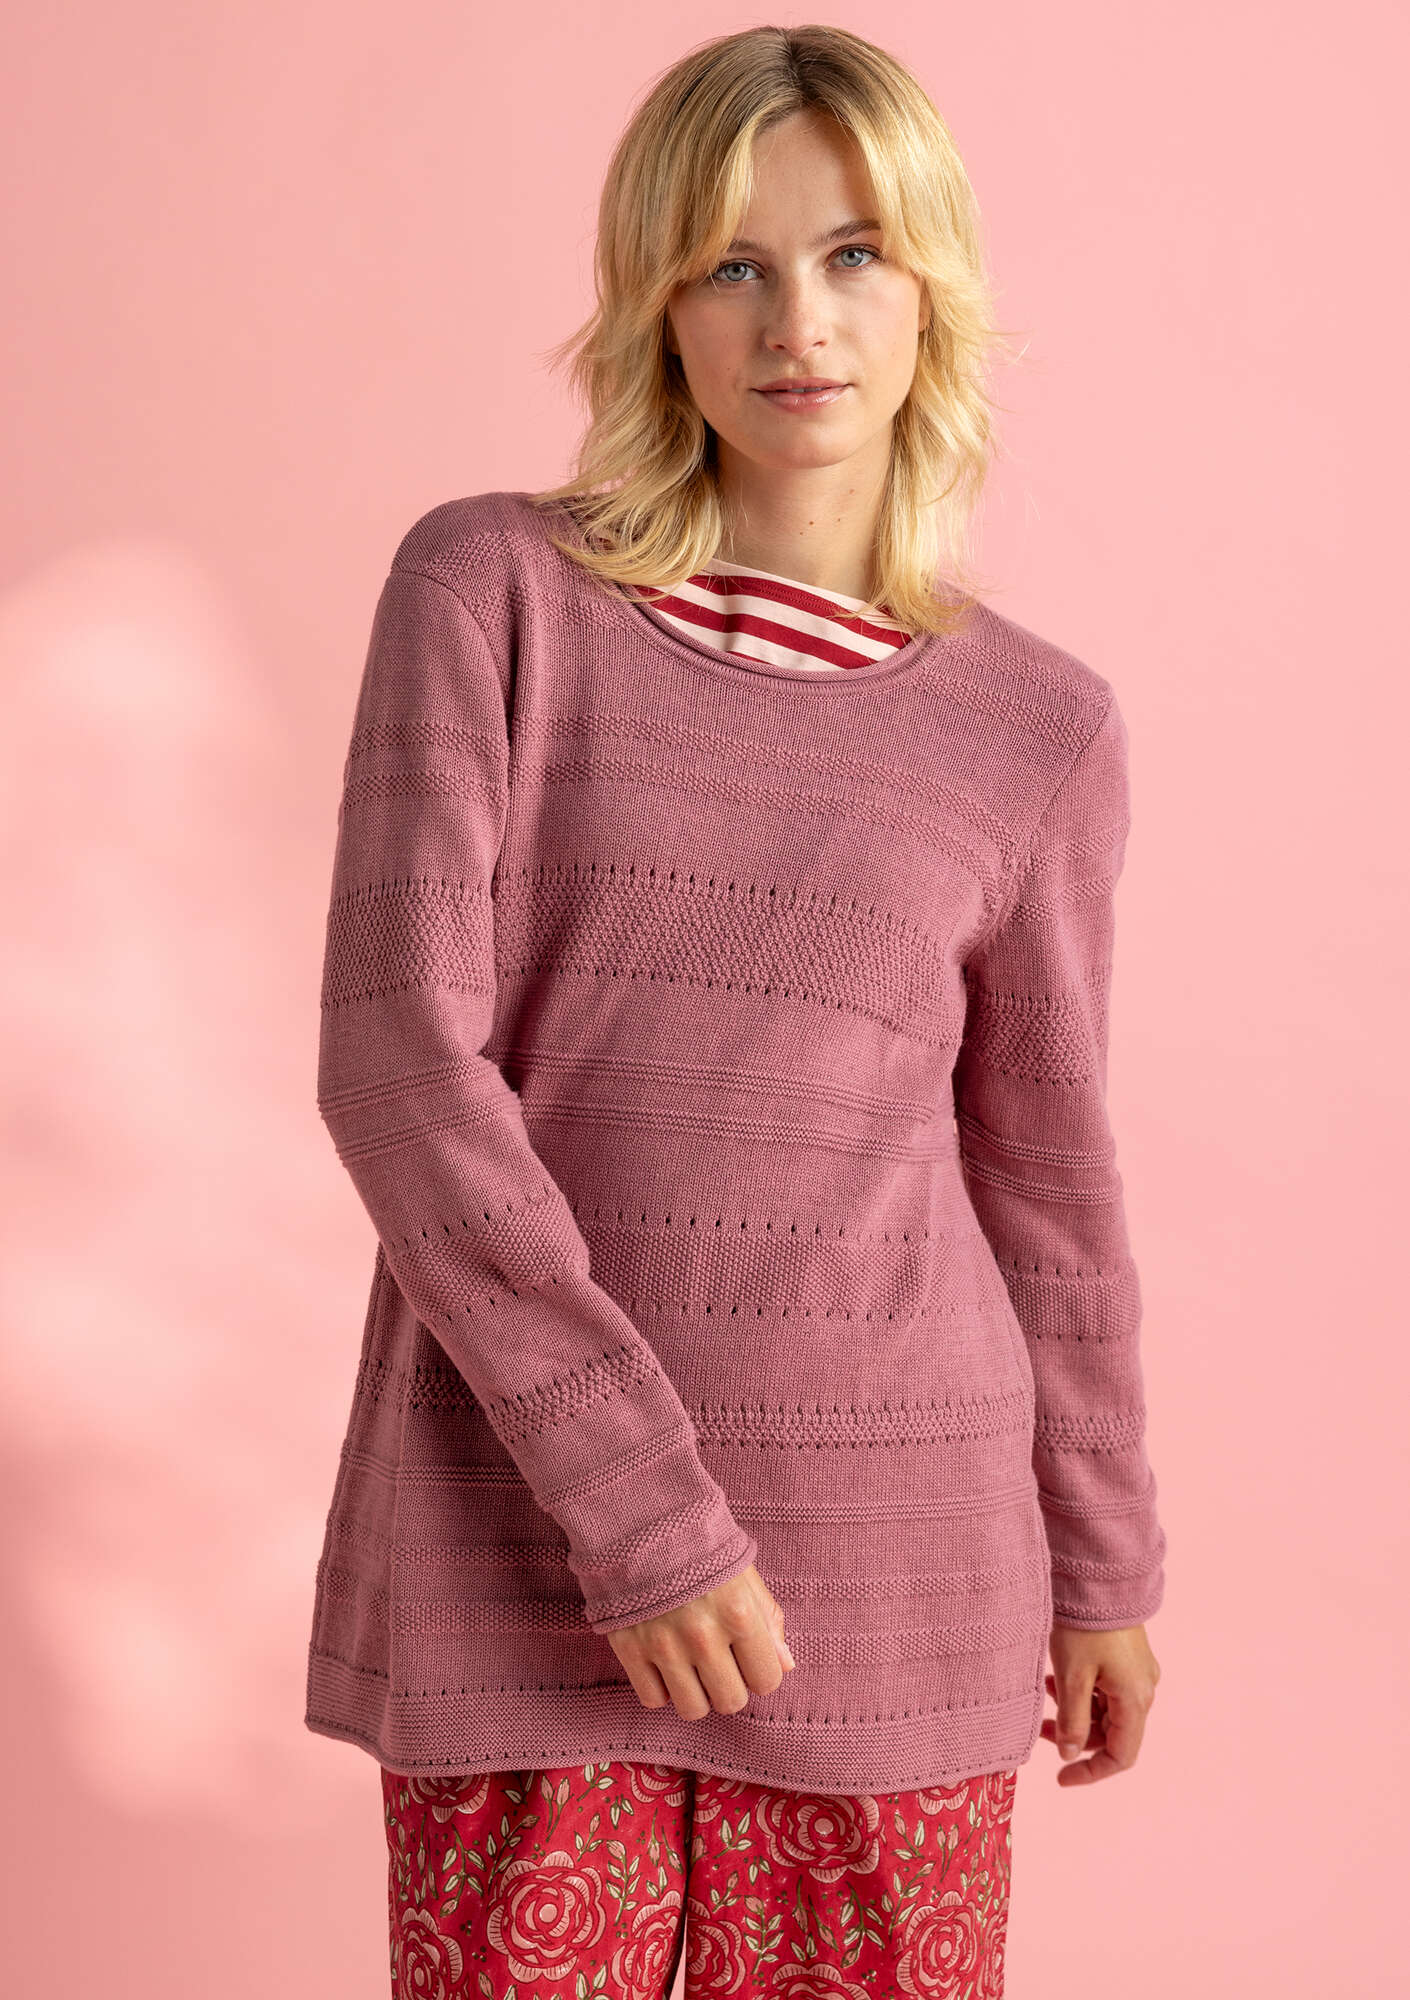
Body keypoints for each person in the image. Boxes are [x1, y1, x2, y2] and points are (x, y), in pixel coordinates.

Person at [305, 25, 1165, 1998]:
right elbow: (398, 1064)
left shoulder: (1039, 728)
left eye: (856, 254)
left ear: (931, 286)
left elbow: (1045, 1179)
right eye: (731, 264)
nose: (800, 321)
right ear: (656, 305)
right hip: (525, 1555)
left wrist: (1106, 1557)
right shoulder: (492, 593)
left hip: (901, 1578)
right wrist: (643, 1514)